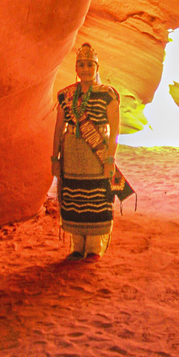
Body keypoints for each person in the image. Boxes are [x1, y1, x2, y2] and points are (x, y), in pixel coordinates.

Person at [51, 42, 120, 260]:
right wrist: (55, 158)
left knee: (96, 197)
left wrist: (110, 157)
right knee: (74, 197)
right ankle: (77, 246)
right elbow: (58, 128)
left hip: (96, 156)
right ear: (76, 68)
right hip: (71, 155)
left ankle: (94, 246)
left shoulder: (108, 94)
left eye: (89, 65)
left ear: (97, 68)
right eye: (81, 64)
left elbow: (116, 129)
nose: (85, 69)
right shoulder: (66, 95)